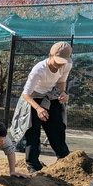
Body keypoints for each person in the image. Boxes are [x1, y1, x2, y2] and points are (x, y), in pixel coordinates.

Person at [9, 41, 73, 173]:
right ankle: (34, 166)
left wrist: (63, 92)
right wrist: (38, 108)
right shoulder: (39, 70)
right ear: (50, 55)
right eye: (57, 61)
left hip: (48, 96)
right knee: (33, 132)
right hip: (32, 98)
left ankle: (65, 161)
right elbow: (26, 94)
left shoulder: (66, 65)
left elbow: (61, 81)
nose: (59, 65)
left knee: (57, 128)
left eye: (62, 62)